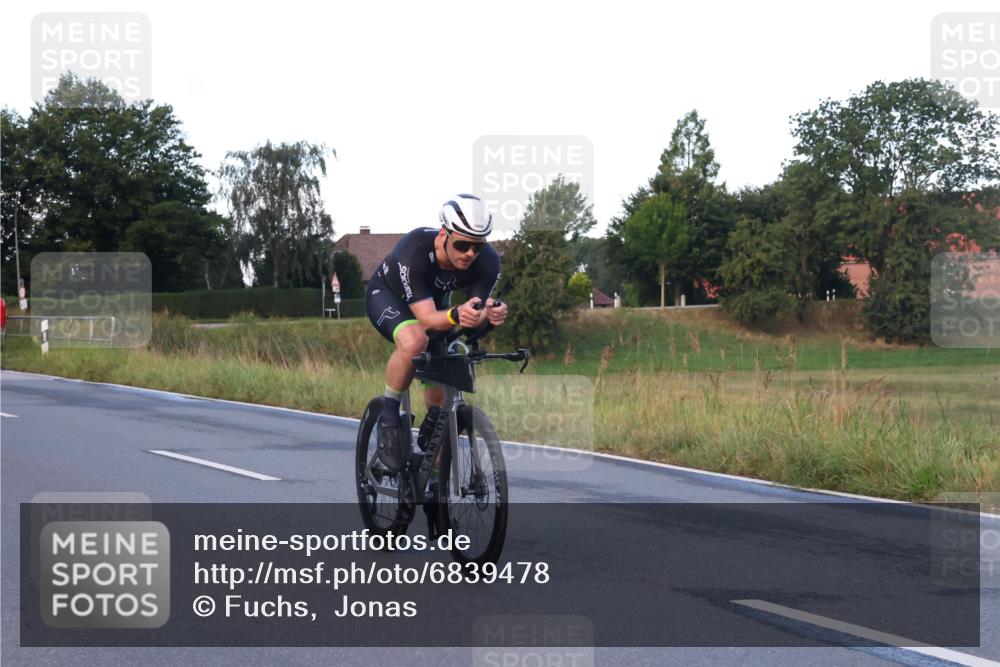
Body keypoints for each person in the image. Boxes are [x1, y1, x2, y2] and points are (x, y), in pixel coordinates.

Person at [365, 194, 508, 471]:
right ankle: (389, 416)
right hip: (389, 297)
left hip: (434, 304)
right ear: (444, 234)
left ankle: (434, 490)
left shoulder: (487, 262)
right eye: (462, 244)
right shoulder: (415, 249)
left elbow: (471, 316)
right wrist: (456, 314)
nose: (470, 253)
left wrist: (489, 315)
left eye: (477, 247)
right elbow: (429, 321)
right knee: (417, 339)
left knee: (444, 394)